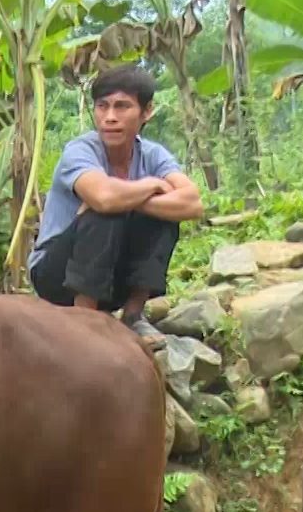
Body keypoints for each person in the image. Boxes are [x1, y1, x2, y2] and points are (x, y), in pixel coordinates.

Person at [28, 65, 204, 335]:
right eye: (102, 106)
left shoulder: (153, 155)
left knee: (160, 216)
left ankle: (134, 316)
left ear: (146, 112)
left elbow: (192, 203)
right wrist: (152, 185)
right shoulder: (80, 150)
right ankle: (84, 321)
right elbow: (103, 198)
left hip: (112, 279)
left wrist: (127, 200)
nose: (110, 117)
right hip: (57, 276)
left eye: (122, 107)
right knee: (104, 213)